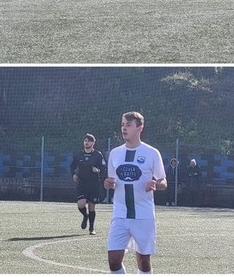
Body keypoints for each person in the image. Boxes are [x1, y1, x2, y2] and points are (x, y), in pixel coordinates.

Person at [104, 111, 166, 274]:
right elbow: (112, 181)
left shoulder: (152, 153)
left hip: (143, 215)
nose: (124, 128)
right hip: (120, 214)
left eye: (128, 125)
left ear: (140, 128)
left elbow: (163, 182)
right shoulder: (115, 153)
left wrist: (155, 184)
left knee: (144, 261)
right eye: (123, 125)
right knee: (113, 260)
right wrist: (108, 183)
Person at [71, 133, 106, 235]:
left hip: (94, 184)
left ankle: (91, 228)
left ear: (93, 143)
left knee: (92, 207)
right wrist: (74, 174)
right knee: (80, 204)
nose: (87, 143)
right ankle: (85, 216)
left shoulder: (98, 155)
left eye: (89, 141)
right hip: (82, 183)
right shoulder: (79, 155)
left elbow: (103, 168)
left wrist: (98, 170)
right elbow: (72, 166)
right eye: (85, 141)